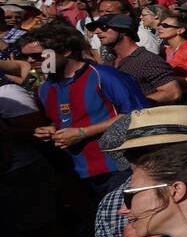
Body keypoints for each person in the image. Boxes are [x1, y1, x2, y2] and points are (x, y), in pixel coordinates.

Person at [21, 20, 148, 198]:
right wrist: (50, 130)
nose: (30, 61)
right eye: (26, 56)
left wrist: (83, 132)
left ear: (66, 50)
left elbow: (138, 114)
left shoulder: (105, 76)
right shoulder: (44, 88)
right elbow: (63, 121)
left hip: (120, 168)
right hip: (77, 174)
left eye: (38, 56)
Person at [90, 14, 183, 105]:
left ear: (124, 30)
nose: (97, 32)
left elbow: (173, 93)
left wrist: (134, 103)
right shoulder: (109, 62)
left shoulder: (148, 60)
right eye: (95, 28)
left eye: (104, 27)